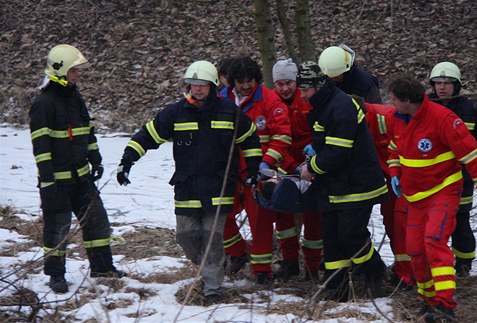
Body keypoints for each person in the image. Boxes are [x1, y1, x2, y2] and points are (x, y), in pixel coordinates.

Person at [116, 60, 261, 305]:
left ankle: (213, 288)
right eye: (193, 84)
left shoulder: (229, 111)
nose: (198, 89)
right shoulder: (175, 112)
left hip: (218, 188)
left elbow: (250, 138)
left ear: (213, 85)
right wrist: (127, 159)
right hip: (187, 187)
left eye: (203, 85)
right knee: (185, 235)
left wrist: (254, 169)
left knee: (212, 238)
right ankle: (210, 267)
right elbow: (148, 135)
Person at [386, 75, 477, 321]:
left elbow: (470, 153)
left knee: (434, 241)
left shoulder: (442, 119)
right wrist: (395, 172)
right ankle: (429, 300)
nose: (390, 102)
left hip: (443, 190)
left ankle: (446, 306)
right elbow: (394, 148)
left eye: (393, 99)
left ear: (406, 100)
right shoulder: (397, 119)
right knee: (415, 250)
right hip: (415, 196)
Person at [29, 44, 125, 294]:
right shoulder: (44, 103)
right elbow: (41, 147)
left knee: (97, 222)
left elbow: (87, 131)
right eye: (74, 70)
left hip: (82, 178)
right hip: (57, 182)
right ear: (59, 70)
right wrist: (48, 181)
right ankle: (56, 275)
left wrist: (96, 159)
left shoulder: (74, 96)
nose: (78, 74)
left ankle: (102, 267)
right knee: (57, 228)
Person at [297, 61, 389, 301]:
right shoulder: (324, 103)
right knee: (332, 237)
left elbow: (339, 152)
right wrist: (314, 156)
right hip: (335, 184)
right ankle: (336, 286)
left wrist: (312, 167)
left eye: (305, 89)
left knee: (350, 234)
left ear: (318, 85)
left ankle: (374, 270)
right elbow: (326, 144)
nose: (302, 95)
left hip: (356, 186)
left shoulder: (340, 106)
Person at [428, 61, 477, 277]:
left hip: (461, 179)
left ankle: (463, 268)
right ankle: (430, 267)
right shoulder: (423, 106)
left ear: (457, 85)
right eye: (438, 82)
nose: (442, 87)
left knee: (460, 225)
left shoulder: (471, 111)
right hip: (429, 179)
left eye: (448, 82)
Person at [220, 56, 292, 284]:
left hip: (258, 171)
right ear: (232, 82)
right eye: (240, 81)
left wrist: (267, 163)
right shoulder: (221, 100)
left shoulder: (270, 101)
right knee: (220, 215)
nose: (245, 85)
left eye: (249, 80)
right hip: (228, 171)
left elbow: (282, 136)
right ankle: (238, 251)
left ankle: (262, 271)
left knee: (260, 221)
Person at [271, 58, 322, 281]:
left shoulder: (308, 100)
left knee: (313, 218)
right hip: (284, 166)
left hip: (311, 168)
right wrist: (288, 166)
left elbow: (319, 135)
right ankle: (289, 261)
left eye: (288, 83)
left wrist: (309, 165)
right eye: (280, 84)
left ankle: (311, 268)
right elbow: (274, 139)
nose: (284, 88)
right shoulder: (271, 102)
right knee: (283, 219)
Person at [358, 97, 414, 289]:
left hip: (401, 176)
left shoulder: (387, 116)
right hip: (378, 176)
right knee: (390, 221)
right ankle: (403, 270)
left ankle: (407, 274)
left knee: (399, 224)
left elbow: (404, 147)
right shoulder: (348, 118)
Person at [318, 44, 383, 104]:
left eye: (336, 77)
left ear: (345, 71)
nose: (332, 79)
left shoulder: (366, 83)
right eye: (329, 77)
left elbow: (377, 109)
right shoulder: (326, 79)